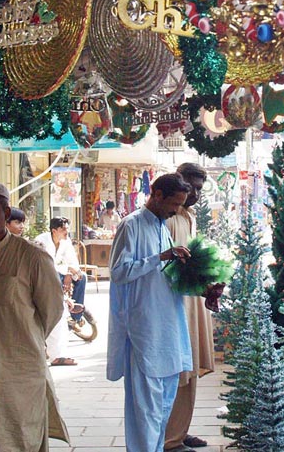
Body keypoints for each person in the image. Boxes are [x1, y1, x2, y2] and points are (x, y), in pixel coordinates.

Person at [0, 181, 68, 451]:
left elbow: (52, 310)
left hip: (19, 371)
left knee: (19, 437)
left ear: (6, 213)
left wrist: (22, 338)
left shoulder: (32, 257)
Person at [108, 173, 193, 452]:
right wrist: (162, 257)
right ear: (157, 195)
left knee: (163, 407)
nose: (176, 210)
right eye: (174, 204)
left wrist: (199, 282)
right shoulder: (131, 225)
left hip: (167, 328)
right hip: (143, 328)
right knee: (145, 411)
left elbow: (163, 275)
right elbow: (119, 272)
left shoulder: (162, 227)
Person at [164, 163, 215, 452]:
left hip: (193, 298)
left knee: (191, 366)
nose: (194, 194)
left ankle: (180, 431)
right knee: (179, 370)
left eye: (199, 189)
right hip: (177, 302)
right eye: (190, 187)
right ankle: (170, 438)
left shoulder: (189, 216)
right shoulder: (169, 216)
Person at [35, 216, 86, 366]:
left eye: (67, 229)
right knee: (57, 313)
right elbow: (46, 266)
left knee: (82, 278)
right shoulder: (41, 241)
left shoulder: (65, 242)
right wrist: (66, 272)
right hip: (45, 277)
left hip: (58, 274)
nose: (66, 232)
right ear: (54, 230)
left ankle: (75, 316)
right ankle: (56, 355)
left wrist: (72, 273)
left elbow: (73, 262)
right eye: (63, 229)